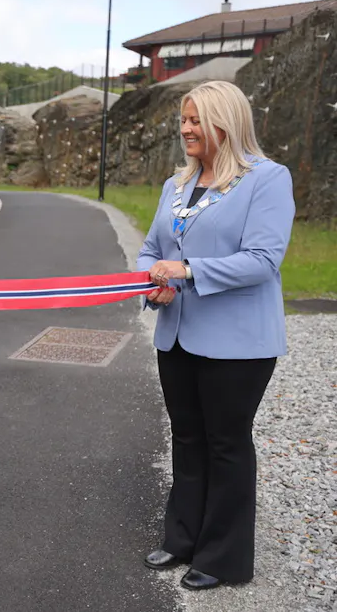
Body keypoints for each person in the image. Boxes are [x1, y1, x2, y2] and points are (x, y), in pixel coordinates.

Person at [136, 80, 295, 589]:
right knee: (186, 438)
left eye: (196, 120)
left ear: (227, 122)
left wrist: (184, 272)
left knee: (225, 442)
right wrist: (153, 283)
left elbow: (263, 260)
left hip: (238, 343)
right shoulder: (175, 184)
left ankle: (222, 557)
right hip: (178, 335)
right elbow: (150, 251)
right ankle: (181, 538)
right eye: (183, 119)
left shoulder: (267, 180)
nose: (185, 129)